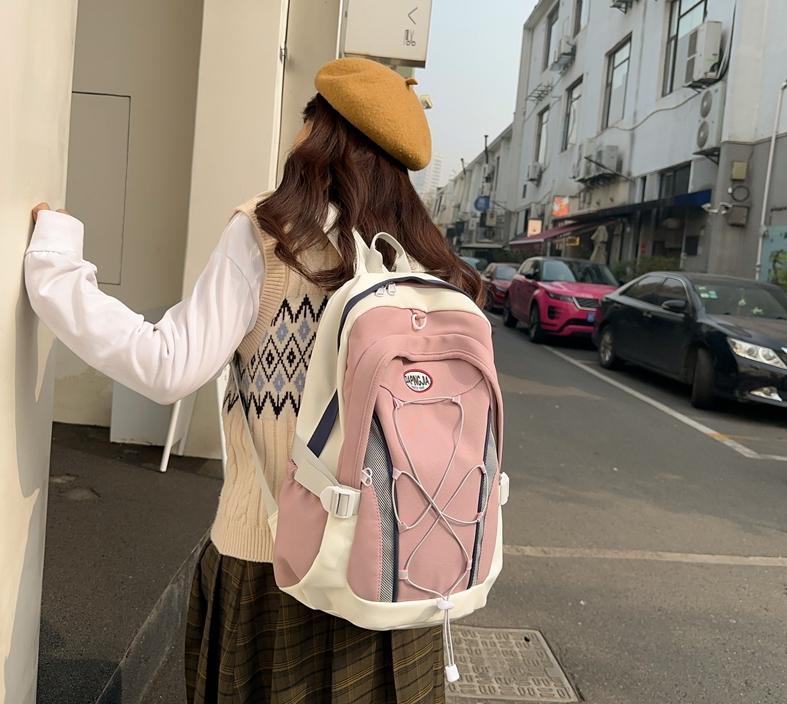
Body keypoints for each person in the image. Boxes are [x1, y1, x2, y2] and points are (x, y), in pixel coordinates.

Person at [25, 57, 483, 703]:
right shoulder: (427, 265)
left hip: (274, 566)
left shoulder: (271, 238)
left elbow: (166, 365)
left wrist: (54, 264)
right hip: (399, 577)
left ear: (321, 136)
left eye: (306, 121)